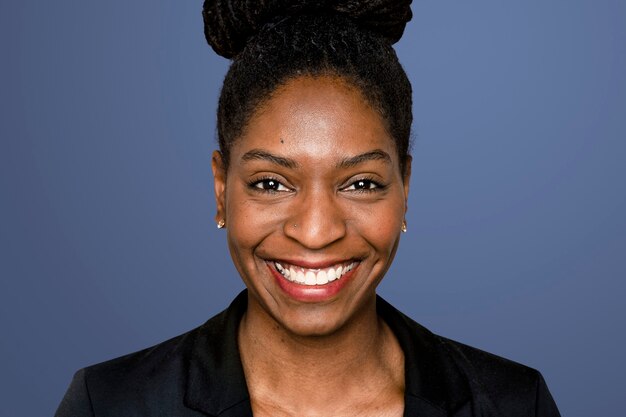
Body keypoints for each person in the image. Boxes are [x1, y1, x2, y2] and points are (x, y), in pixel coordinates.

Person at [56, 1, 561, 416]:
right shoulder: (110, 405)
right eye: (271, 183)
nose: (316, 232)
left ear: (405, 186)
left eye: (361, 183)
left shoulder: (513, 405)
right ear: (220, 188)